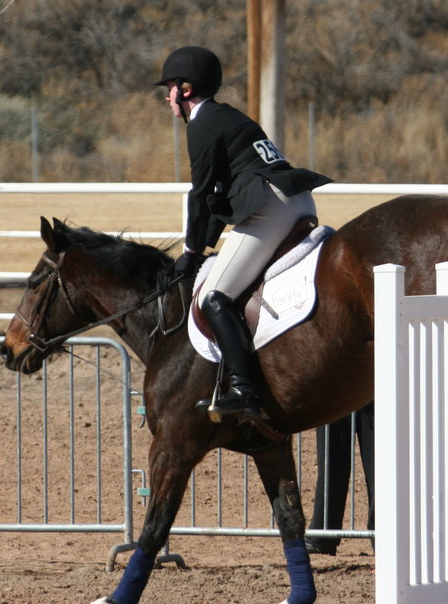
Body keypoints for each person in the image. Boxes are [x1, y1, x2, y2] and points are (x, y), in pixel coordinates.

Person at [156, 45, 331, 420]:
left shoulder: (202, 124)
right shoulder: (228, 117)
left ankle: (244, 389)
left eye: (169, 87)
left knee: (214, 297)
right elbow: (220, 194)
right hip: (297, 201)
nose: (166, 96)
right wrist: (202, 246)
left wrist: (190, 251)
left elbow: (201, 193)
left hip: (271, 208)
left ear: (185, 89)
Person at [304, 403, 375, 556]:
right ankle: (322, 534)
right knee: (330, 463)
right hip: (335, 390)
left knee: (379, 469)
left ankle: (384, 535)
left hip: (375, 389)